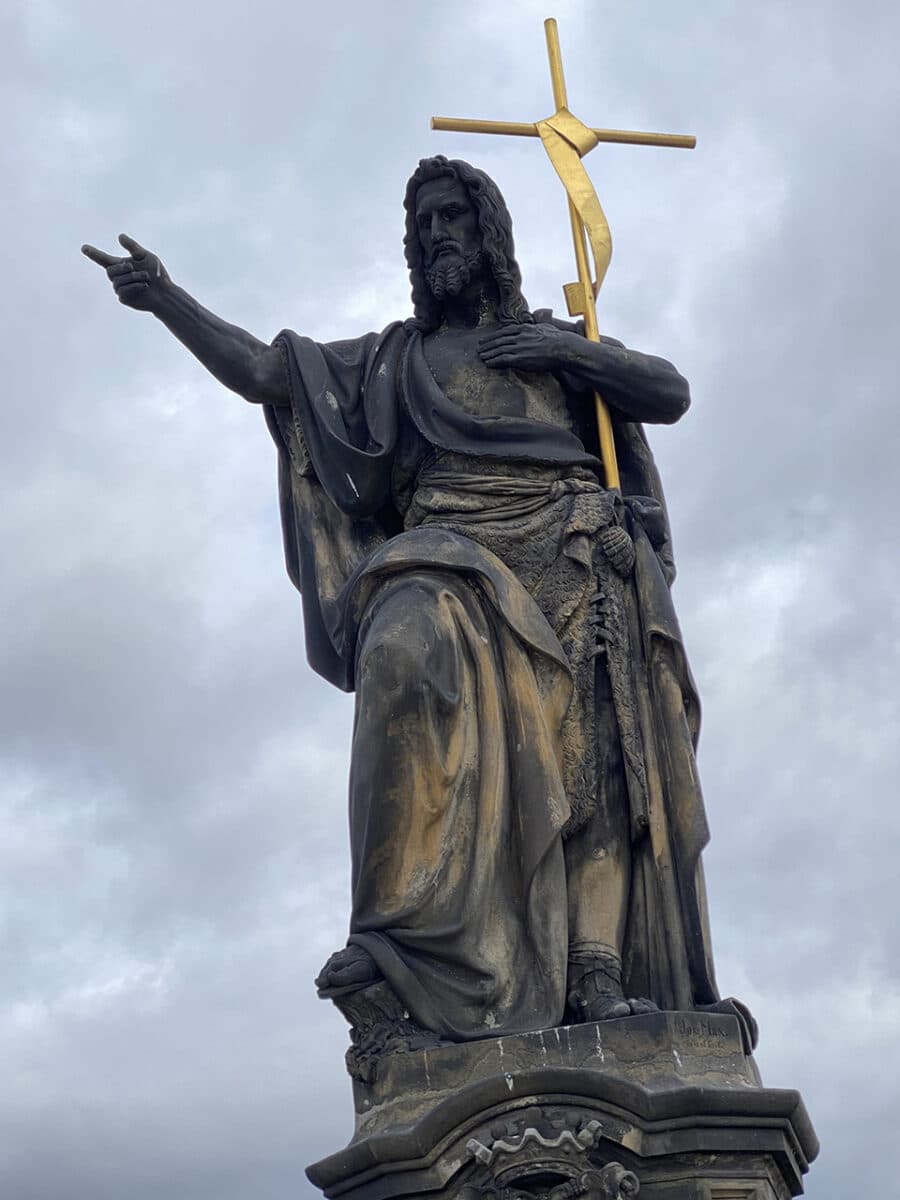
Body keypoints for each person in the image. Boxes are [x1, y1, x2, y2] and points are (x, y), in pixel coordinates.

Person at [83, 155, 734, 1065]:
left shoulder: (554, 346)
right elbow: (268, 372)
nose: (436, 238)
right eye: (423, 226)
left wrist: (568, 352)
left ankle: (595, 968)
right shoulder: (397, 358)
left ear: (489, 233)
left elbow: (669, 392)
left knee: (593, 762)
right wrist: (166, 299)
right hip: (449, 551)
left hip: (574, 547)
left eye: (451, 219)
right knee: (399, 651)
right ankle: (399, 944)